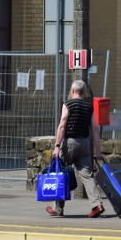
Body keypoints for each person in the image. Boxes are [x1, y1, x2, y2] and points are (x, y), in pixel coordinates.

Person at [46, 79, 106, 218]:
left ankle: (58, 209)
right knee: (87, 175)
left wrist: (56, 146)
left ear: (72, 91)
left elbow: (62, 126)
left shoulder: (68, 104)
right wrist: (98, 151)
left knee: (61, 173)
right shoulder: (88, 107)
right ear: (84, 92)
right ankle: (97, 204)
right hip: (85, 143)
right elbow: (95, 129)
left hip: (69, 143)